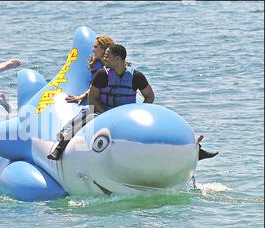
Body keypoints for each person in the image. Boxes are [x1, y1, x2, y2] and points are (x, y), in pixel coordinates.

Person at [48, 44, 218, 161]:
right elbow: (92, 99)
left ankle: (196, 150)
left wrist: (140, 111)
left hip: (127, 114)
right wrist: (106, 115)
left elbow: (149, 96)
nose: (104, 59)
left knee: (161, 122)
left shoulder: (136, 76)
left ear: (117, 59)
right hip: (101, 111)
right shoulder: (101, 74)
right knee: (84, 118)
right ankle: (59, 148)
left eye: (108, 56)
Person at [64, 35, 115, 105]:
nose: (92, 49)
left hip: (111, 102)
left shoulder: (116, 66)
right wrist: (82, 96)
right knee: (85, 115)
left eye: (95, 47)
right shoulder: (95, 64)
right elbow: (94, 85)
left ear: (104, 49)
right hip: (96, 101)